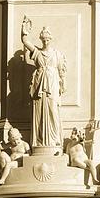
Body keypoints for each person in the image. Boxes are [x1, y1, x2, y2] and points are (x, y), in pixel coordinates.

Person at [21, 16, 66, 151]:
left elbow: (61, 71)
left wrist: (63, 85)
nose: (45, 41)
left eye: (47, 39)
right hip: (39, 83)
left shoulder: (57, 54)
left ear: (51, 39)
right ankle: (40, 139)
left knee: (53, 109)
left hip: (52, 82)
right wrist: (25, 30)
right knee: (39, 111)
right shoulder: (37, 52)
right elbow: (24, 41)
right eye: (43, 39)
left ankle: (55, 138)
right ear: (41, 40)